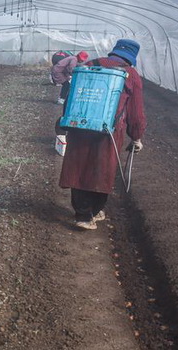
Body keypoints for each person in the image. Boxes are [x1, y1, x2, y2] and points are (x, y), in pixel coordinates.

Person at [58, 39, 146, 230]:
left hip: (80, 125)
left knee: (79, 167)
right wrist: (136, 137)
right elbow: (135, 112)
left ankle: (82, 214)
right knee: (102, 170)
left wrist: (66, 120)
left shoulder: (90, 65)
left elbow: (73, 94)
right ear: (131, 58)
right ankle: (95, 211)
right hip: (109, 132)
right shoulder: (130, 74)